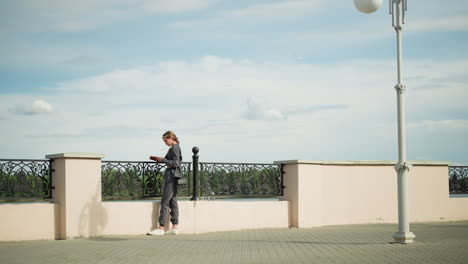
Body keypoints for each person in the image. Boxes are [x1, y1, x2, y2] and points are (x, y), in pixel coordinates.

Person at [147, 131, 182, 236]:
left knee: (165, 202)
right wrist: (160, 159)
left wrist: (162, 159)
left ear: (171, 138)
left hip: (171, 177)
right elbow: (171, 161)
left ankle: (161, 228)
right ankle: (174, 227)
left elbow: (176, 163)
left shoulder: (175, 148)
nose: (165, 143)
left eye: (166, 140)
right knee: (173, 202)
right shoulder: (175, 148)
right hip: (174, 176)